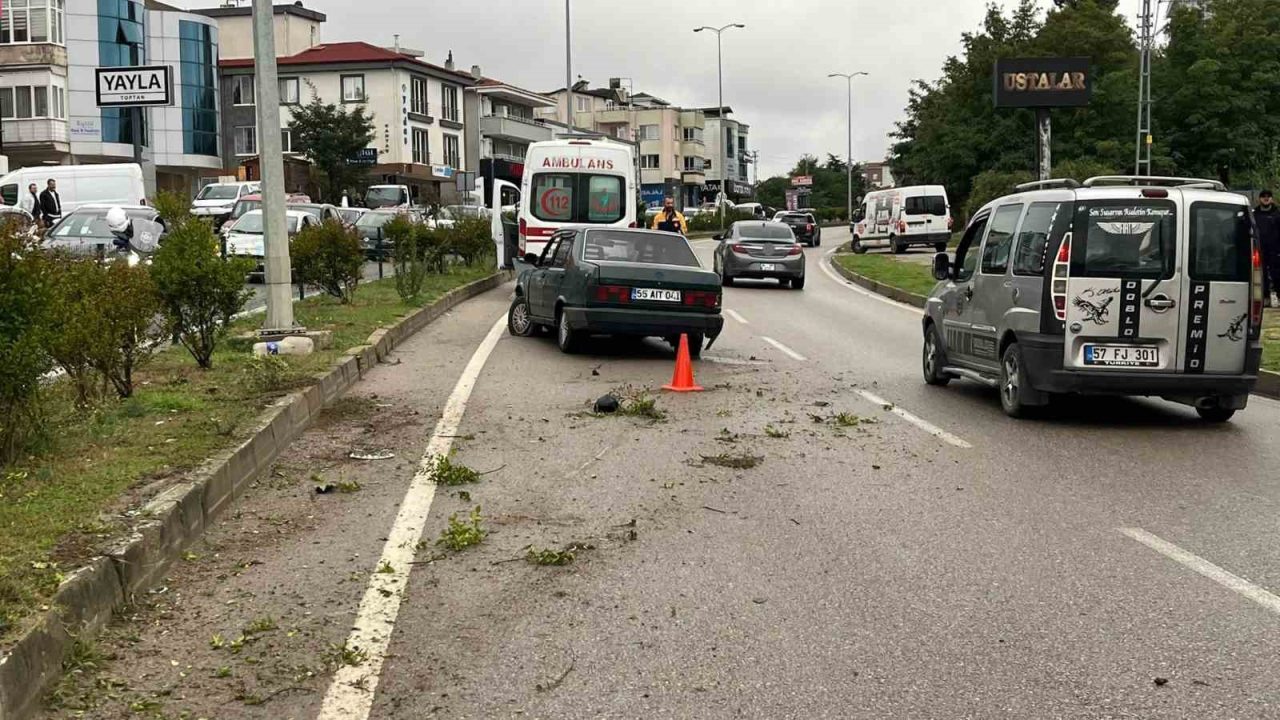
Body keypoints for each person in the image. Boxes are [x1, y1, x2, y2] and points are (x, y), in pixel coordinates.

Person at [1256, 190, 1280, 307]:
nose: (1266, 199)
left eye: (1268, 197)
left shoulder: (1277, 214)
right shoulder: (1255, 214)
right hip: (1260, 250)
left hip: (1275, 251)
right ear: (1259, 199)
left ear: (1271, 198)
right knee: (1261, 275)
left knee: (1277, 274)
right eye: (1263, 197)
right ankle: (1265, 298)